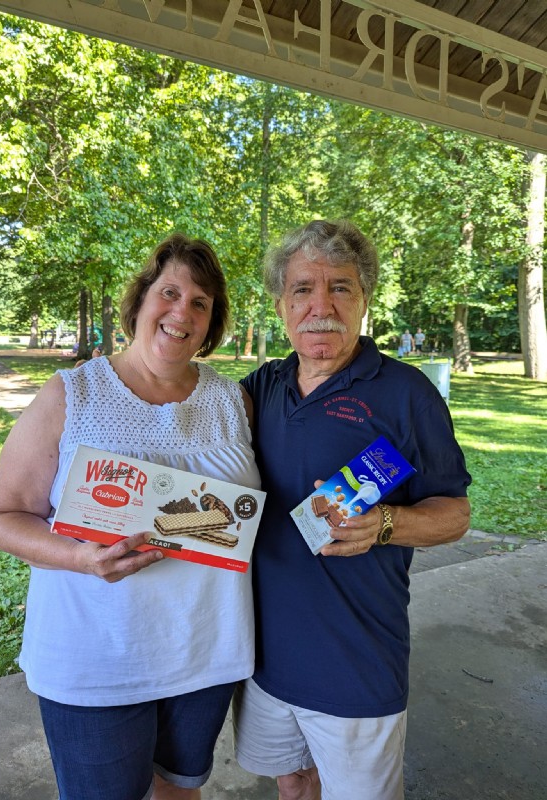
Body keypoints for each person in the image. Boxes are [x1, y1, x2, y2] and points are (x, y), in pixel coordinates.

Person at [0, 233, 260, 800]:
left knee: (180, 792)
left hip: (205, 653)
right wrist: (80, 559)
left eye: (200, 302)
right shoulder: (72, 394)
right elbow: (3, 516)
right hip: (96, 661)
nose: (182, 312)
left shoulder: (234, 402)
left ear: (212, 322)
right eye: (170, 293)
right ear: (140, 301)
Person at [232, 219, 471, 800]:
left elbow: (456, 513)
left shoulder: (407, 394)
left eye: (340, 287)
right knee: (293, 783)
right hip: (263, 660)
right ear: (281, 306)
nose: (322, 306)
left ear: (364, 299)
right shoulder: (262, 386)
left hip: (357, 661)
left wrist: (385, 524)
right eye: (302, 289)